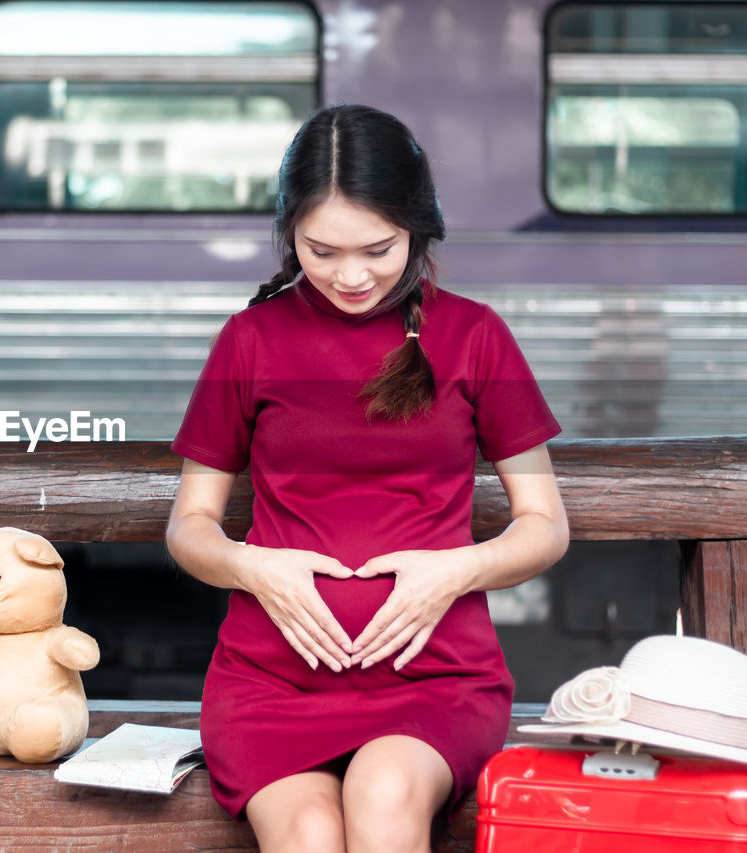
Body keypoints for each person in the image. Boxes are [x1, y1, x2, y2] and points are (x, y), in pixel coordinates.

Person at [165, 104, 570, 853]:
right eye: (321, 251)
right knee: (309, 833)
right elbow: (189, 526)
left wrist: (453, 572)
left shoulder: (476, 334)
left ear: (418, 227)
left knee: (383, 796)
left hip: (435, 676)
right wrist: (253, 567)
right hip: (271, 682)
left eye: (378, 249)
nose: (351, 276)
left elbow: (546, 525)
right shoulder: (249, 338)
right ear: (289, 232)